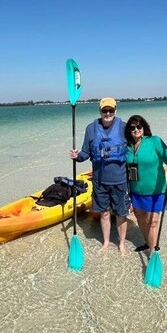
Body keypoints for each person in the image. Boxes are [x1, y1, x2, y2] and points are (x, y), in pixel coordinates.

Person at [69, 98, 130, 254]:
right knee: (104, 213)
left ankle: (122, 243)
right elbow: (85, 154)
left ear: (116, 111)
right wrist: (77, 156)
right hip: (99, 181)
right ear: (100, 111)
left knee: (121, 214)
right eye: (104, 110)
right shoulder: (91, 129)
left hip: (120, 180)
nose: (107, 113)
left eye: (110, 110)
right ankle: (106, 242)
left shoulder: (124, 127)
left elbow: (137, 146)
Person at [124, 115, 167, 256]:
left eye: (139, 127)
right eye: (132, 127)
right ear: (129, 130)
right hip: (136, 190)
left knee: (153, 221)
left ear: (144, 128)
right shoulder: (127, 147)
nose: (136, 130)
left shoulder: (154, 141)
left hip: (156, 189)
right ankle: (148, 242)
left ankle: (154, 253)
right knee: (141, 218)